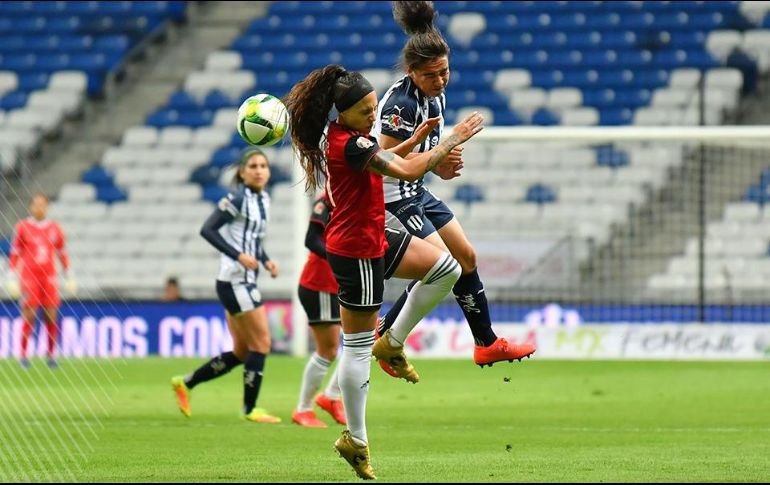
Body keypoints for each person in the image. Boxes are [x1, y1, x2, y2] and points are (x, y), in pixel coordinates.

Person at [284, 64, 483, 480]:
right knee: (356, 348)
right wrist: (451, 140)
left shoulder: (349, 136)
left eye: (375, 108)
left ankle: (391, 341)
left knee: (446, 267)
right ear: (343, 113)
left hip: (375, 235)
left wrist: (412, 140)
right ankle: (355, 439)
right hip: (356, 251)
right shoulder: (350, 144)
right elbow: (406, 170)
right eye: (365, 111)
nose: (373, 116)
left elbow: (390, 157)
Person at [372, 1, 536, 369]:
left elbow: (425, 159)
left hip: (415, 190)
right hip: (390, 197)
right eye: (431, 75)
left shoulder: (435, 96)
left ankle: (486, 343)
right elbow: (388, 164)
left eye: (445, 72)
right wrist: (449, 144)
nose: (441, 80)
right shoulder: (401, 106)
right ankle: (388, 337)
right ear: (412, 72)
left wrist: (442, 165)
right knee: (442, 267)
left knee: (466, 258)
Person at [170, 147, 281, 424]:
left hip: (244, 281)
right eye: (253, 166)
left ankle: (185, 383)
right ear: (242, 173)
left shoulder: (264, 199)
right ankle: (249, 409)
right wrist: (238, 256)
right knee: (262, 343)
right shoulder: (237, 198)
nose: (258, 171)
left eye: (263, 166)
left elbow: (253, 239)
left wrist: (265, 260)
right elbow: (207, 229)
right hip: (235, 281)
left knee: (242, 351)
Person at [291, 193, 346, 428]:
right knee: (328, 351)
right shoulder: (328, 200)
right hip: (321, 285)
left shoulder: (360, 196)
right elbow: (311, 239)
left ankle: (331, 396)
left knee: (365, 341)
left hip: (344, 284)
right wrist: (338, 257)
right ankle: (303, 409)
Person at [7, 193, 76, 369]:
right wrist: (11, 275)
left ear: (47, 208)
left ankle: (51, 355)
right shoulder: (23, 227)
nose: (39, 208)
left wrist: (69, 274)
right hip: (29, 277)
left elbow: (62, 253)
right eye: (36, 205)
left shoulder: (55, 228)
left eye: (42, 205)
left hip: (49, 277)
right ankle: (23, 355)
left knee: (51, 315)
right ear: (31, 207)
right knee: (29, 315)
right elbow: (15, 253)